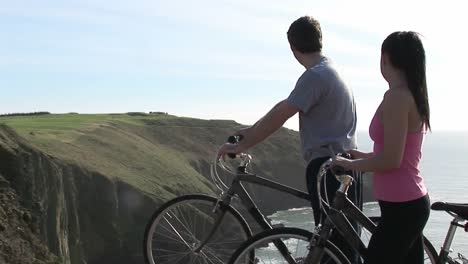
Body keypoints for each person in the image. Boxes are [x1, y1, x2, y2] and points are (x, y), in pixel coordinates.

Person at [217, 15, 362, 263]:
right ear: (319, 40)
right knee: (344, 248)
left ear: (293, 48)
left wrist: (243, 144)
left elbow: (282, 114)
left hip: (326, 168)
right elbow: (283, 106)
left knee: (331, 249)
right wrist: (250, 129)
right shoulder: (331, 70)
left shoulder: (315, 76)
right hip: (346, 164)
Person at [331, 31, 431, 264]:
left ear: (385, 58)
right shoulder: (410, 95)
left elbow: (391, 161)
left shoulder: (397, 98)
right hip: (407, 204)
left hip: (403, 208)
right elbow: (397, 154)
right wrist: (363, 156)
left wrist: (351, 164)